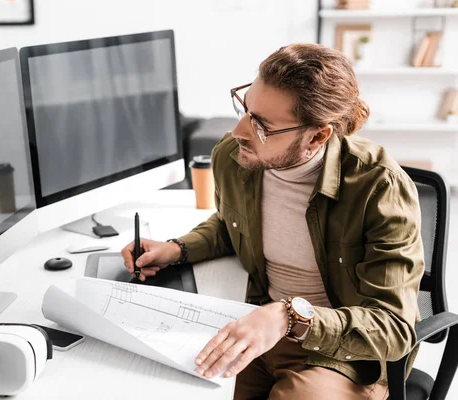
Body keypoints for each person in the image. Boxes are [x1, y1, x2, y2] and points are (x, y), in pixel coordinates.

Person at [121, 43, 424, 400]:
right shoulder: (234, 157)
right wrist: (177, 248)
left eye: (262, 125)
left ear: (317, 136)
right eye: (246, 108)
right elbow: (232, 221)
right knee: (163, 382)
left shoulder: (379, 186)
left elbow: (394, 328)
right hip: (258, 323)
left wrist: (289, 317)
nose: (239, 131)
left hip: (342, 354)